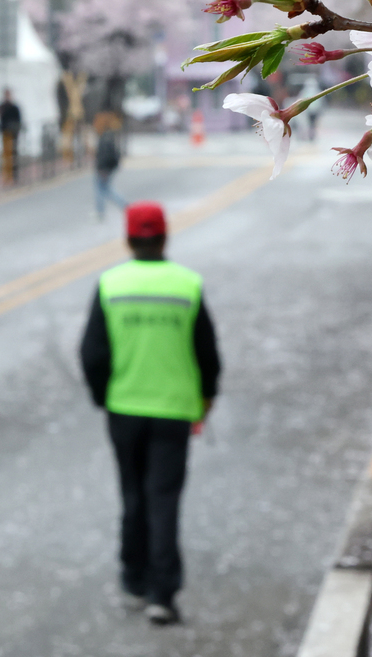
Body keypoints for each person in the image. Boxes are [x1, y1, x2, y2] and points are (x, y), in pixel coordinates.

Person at [79, 202, 221, 626]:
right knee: (164, 498)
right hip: (174, 409)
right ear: (164, 237)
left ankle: (134, 578)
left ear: (127, 239)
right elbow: (208, 354)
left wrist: (103, 396)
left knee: (132, 493)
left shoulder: (110, 285)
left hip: (124, 407)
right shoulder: (187, 284)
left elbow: (92, 353)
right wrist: (206, 398)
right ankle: (163, 593)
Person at [95, 114, 127, 220]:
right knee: (105, 189)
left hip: (104, 169)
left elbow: (105, 155)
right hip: (106, 168)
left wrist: (103, 169)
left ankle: (101, 212)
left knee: (102, 190)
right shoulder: (108, 136)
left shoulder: (105, 138)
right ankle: (122, 205)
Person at [0, 88, 23, 182]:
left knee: (13, 155)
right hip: (5, 133)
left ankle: (13, 176)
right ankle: (7, 176)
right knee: (6, 155)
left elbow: (18, 120)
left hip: (13, 134)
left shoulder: (13, 107)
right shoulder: (3, 106)